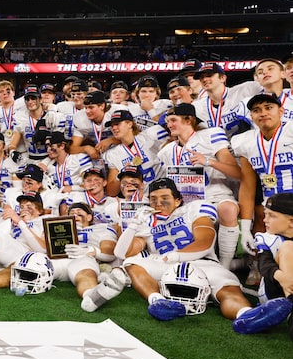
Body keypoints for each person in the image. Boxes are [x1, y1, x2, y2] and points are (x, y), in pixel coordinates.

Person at [115, 178, 290, 333]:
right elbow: (121, 253)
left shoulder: (194, 209)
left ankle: (246, 316)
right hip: (166, 268)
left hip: (200, 261)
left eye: (164, 198)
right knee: (132, 262)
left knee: (228, 289)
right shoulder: (146, 221)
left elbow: (205, 241)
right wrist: (134, 224)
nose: (158, 203)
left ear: (178, 200)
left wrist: (174, 256)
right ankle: (158, 302)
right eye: (153, 199)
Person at [156, 103, 242, 269]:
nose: (169, 125)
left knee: (228, 209)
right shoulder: (166, 152)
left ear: (189, 120)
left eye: (173, 120)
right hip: (186, 204)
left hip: (216, 195)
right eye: (167, 121)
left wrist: (208, 161)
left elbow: (237, 173)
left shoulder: (210, 135)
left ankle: (225, 266)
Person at [232, 94, 293, 258]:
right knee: (272, 259)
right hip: (272, 210)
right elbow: (247, 185)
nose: (263, 113)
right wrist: (245, 229)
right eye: (257, 110)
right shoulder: (246, 141)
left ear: (281, 111)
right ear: (251, 116)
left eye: (268, 108)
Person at [252, 193, 293, 337]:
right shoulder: (268, 238)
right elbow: (264, 264)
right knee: (288, 247)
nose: (265, 220)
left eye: (272, 216)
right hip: (274, 291)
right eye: (266, 214)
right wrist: (281, 276)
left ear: (291, 221)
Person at [103, 108, 167, 195]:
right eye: (112, 126)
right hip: (139, 199)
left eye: (117, 124)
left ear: (129, 124)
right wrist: (121, 175)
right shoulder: (113, 154)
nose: (114, 128)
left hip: (163, 190)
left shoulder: (151, 134)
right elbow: (111, 192)